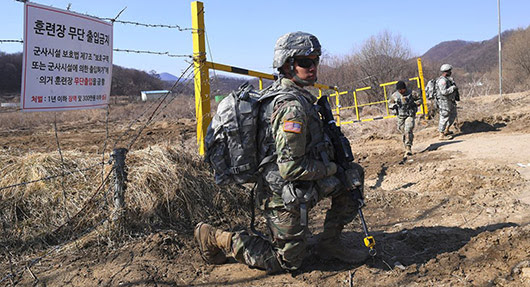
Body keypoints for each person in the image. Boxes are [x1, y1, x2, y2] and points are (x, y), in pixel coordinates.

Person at [194, 31, 368, 274]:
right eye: (305, 62)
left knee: (352, 178)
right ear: (287, 65)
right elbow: (291, 168)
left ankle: (329, 244)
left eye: (316, 60)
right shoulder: (291, 108)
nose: (313, 67)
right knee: (288, 262)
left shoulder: (301, 98)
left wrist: (341, 168)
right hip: (282, 192)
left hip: (302, 184)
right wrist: (333, 168)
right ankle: (216, 237)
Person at [388, 80, 422, 157]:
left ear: (404, 88)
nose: (400, 91)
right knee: (403, 131)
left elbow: (420, 100)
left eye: (402, 89)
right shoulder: (395, 95)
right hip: (400, 116)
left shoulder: (412, 93)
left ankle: (408, 148)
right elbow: (389, 103)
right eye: (399, 90)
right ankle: (406, 145)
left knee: (408, 129)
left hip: (409, 115)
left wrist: (414, 104)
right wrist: (393, 106)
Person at [436, 64, 459, 140]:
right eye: (450, 71)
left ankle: (447, 130)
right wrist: (452, 88)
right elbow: (444, 92)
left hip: (450, 101)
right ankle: (441, 135)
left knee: (453, 115)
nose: (451, 72)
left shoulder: (448, 79)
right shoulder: (442, 81)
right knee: (444, 117)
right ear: (446, 72)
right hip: (444, 102)